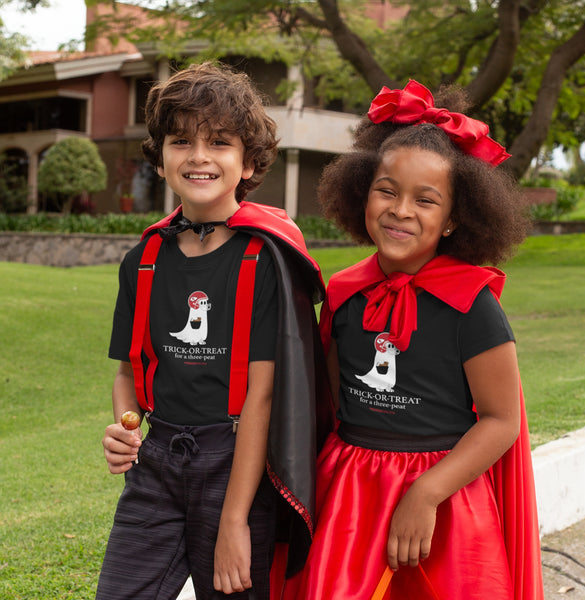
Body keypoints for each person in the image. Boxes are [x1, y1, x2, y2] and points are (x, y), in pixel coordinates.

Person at [286, 80, 544, 600]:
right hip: (351, 494)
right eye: (387, 190)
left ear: (453, 220)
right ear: (363, 191)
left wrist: (426, 493)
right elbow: (332, 401)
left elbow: (501, 421)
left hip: (445, 495)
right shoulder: (342, 293)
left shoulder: (473, 304)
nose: (401, 210)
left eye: (426, 200)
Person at [96, 62, 332, 600]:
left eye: (220, 142)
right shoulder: (143, 259)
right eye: (181, 141)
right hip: (156, 463)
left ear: (248, 162)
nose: (199, 157)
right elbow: (128, 373)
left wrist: (234, 522)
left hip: (234, 463)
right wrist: (125, 430)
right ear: (160, 160)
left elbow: (264, 396)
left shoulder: (265, 258)